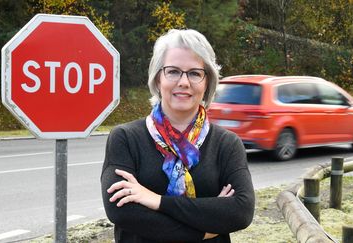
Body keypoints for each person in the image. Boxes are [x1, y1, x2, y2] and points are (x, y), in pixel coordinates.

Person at [101, 29, 255, 243]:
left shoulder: (227, 144)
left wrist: (156, 201)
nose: (184, 82)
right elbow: (122, 211)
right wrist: (204, 230)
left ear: (207, 82)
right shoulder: (125, 138)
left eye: (194, 73)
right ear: (157, 79)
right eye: (173, 71)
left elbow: (240, 211)